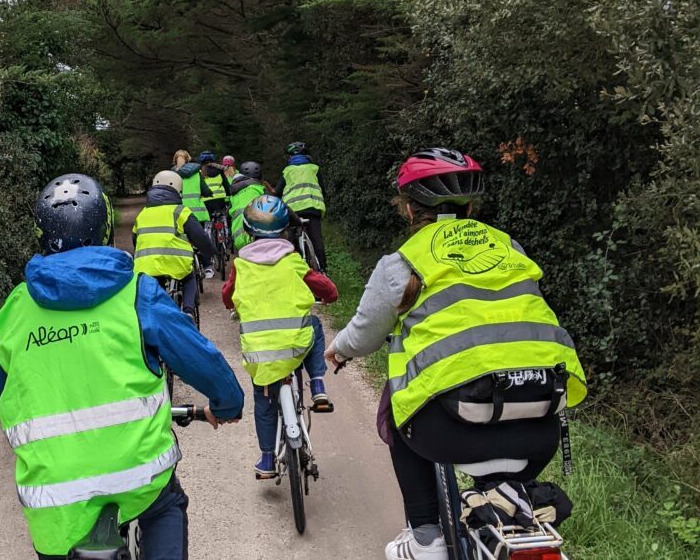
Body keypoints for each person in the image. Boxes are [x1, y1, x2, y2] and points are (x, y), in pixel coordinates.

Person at [324, 148, 587, 560]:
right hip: (541, 426)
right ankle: (505, 506)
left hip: (448, 431)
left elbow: (365, 333)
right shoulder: (509, 247)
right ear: (470, 206)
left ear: (410, 209)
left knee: (398, 408)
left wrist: (338, 351)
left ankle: (426, 536)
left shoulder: (402, 263)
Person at [0, 173, 244, 559]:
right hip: (137, 477)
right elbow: (198, 356)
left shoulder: (15, 310)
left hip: (54, 497)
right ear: (106, 226)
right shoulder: (135, 292)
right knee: (166, 505)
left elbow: (2, 391)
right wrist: (227, 404)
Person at [222, 195, 337, 478]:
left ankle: (266, 460)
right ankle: (319, 385)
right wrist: (327, 295)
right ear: (285, 229)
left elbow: (227, 297)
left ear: (248, 231)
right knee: (314, 324)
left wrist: (235, 301)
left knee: (263, 401)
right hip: (296, 345)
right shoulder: (292, 261)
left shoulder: (242, 265)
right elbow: (327, 290)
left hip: (261, 353)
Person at [133, 170, 215, 316]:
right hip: (176, 263)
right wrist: (209, 252)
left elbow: (135, 240)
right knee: (190, 277)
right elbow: (199, 236)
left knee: (155, 290)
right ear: (178, 189)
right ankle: (188, 311)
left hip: (147, 266)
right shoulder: (179, 211)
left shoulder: (143, 213)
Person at [275, 141, 327, 272]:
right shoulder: (314, 168)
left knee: (290, 239)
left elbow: (278, 192)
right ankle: (323, 270)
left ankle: (296, 268)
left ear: (290, 157)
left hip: (293, 211)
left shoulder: (287, 171)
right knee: (316, 240)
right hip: (312, 207)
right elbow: (322, 188)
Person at [227, 161, 266, 251]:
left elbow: (229, 216)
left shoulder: (234, 193)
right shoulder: (260, 189)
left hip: (239, 239)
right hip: (260, 236)